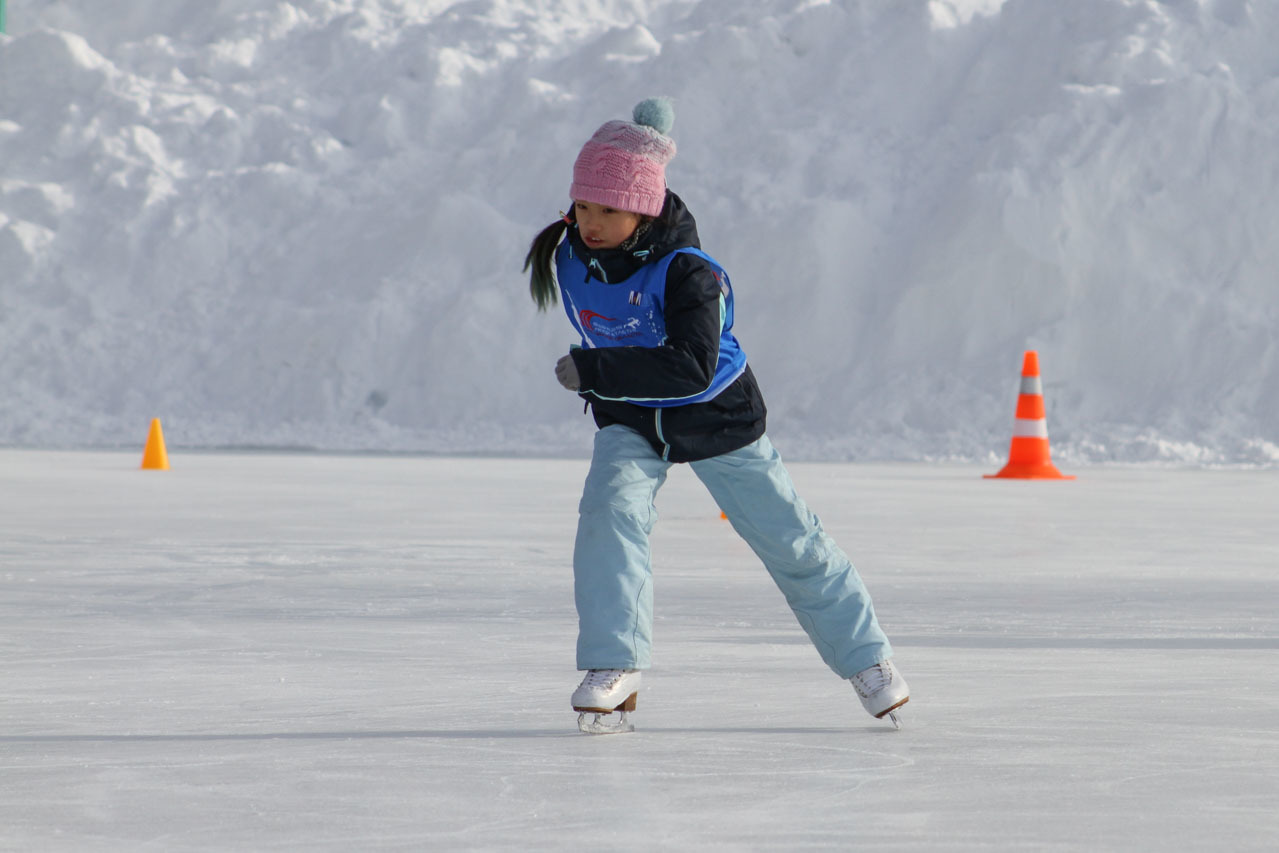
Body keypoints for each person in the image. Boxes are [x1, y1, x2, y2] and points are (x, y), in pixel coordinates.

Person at [523, 97, 909, 732]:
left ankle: (869, 660)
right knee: (608, 517)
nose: (589, 222)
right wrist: (607, 386)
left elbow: (690, 368)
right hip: (631, 421)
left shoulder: (690, 275)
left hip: (715, 415)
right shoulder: (570, 255)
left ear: (644, 209)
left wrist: (595, 373)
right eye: (583, 206)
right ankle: (613, 665)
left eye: (608, 209)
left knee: (791, 539)